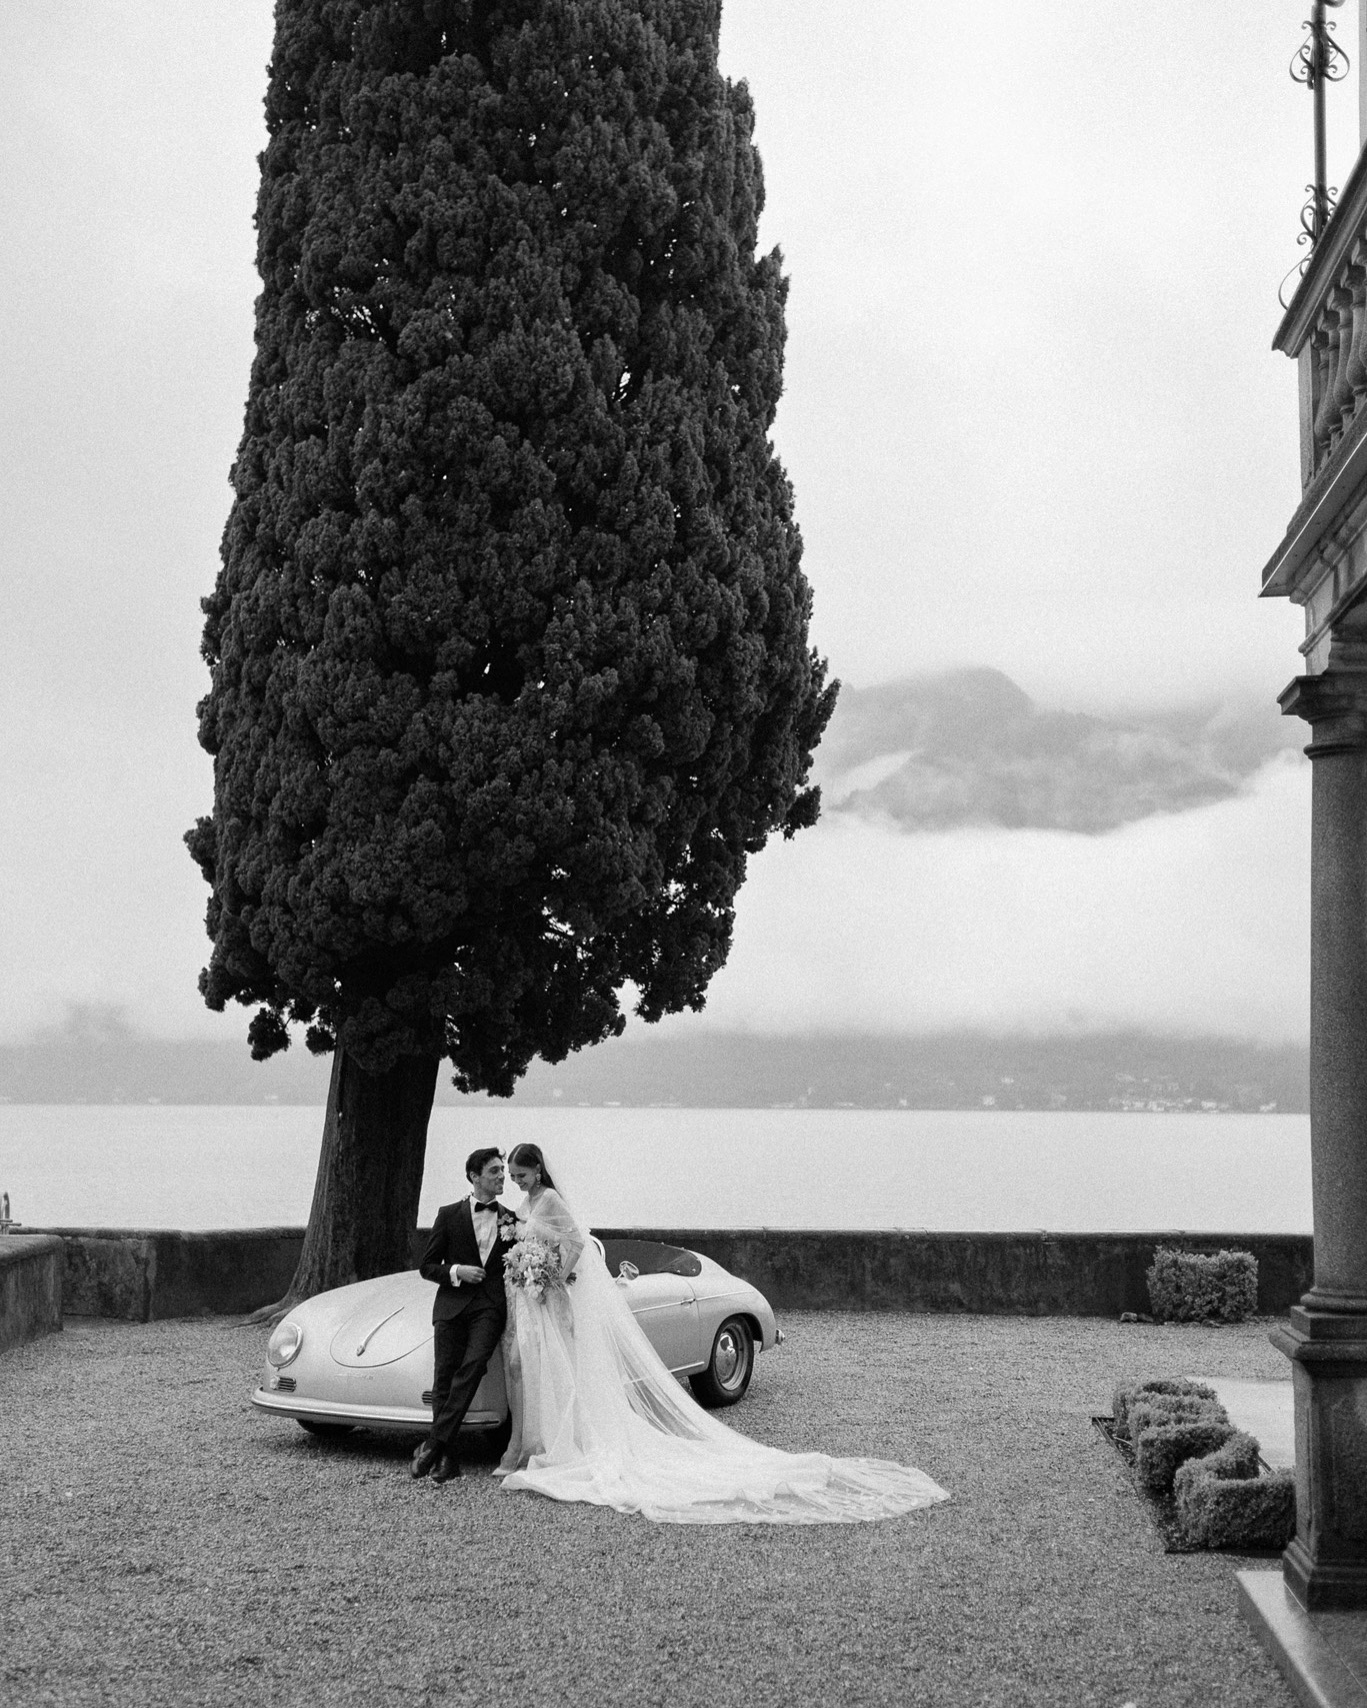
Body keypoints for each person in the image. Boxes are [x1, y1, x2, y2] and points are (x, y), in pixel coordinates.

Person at [494, 1142, 950, 1525]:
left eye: (522, 1173)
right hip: (534, 1301)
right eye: (512, 1176)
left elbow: (574, 1246)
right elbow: (532, 1240)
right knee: (541, 1370)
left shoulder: (550, 1199)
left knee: (566, 1371)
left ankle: (557, 1444)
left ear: (538, 1169)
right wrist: (530, 1269)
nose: (518, 1181)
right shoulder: (529, 1203)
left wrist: (556, 1276)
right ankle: (532, 1442)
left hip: (552, 1294)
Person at [411, 1147, 519, 1485]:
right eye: (494, 1171)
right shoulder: (447, 1215)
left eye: (502, 1171)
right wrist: (457, 1270)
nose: (502, 1177)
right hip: (451, 1305)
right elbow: (427, 1267)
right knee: (443, 1377)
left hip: (489, 1306)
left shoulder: (511, 1220)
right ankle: (448, 1458)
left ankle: (433, 1443)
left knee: (472, 1367)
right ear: (474, 1176)